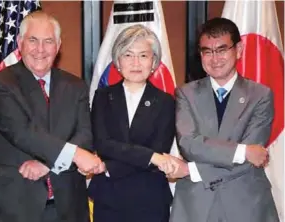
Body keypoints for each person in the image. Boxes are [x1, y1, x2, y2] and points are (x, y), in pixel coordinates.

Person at [0, 11, 104, 222]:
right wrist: (75, 154)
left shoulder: (76, 86)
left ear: (58, 45)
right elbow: (23, 133)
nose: (40, 50)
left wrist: (49, 165)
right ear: (20, 42)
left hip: (67, 207)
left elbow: (85, 135)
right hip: (15, 207)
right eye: (33, 40)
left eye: (48, 41)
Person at [169, 17, 279, 222]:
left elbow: (252, 160)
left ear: (238, 50)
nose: (214, 58)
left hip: (246, 204)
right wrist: (242, 151)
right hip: (196, 205)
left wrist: (192, 169)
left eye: (221, 49)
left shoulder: (261, 95)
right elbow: (189, 145)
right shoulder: (186, 93)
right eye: (207, 51)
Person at [88, 24, 180, 222]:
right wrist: (151, 156)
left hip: (150, 199)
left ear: (154, 61)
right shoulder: (103, 96)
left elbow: (159, 149)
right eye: (128, 55)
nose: (136, 62)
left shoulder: (166, 101)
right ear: (118, 61)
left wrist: (109, 167)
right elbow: (103, 143)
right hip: (108, 200)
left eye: (144, 55)